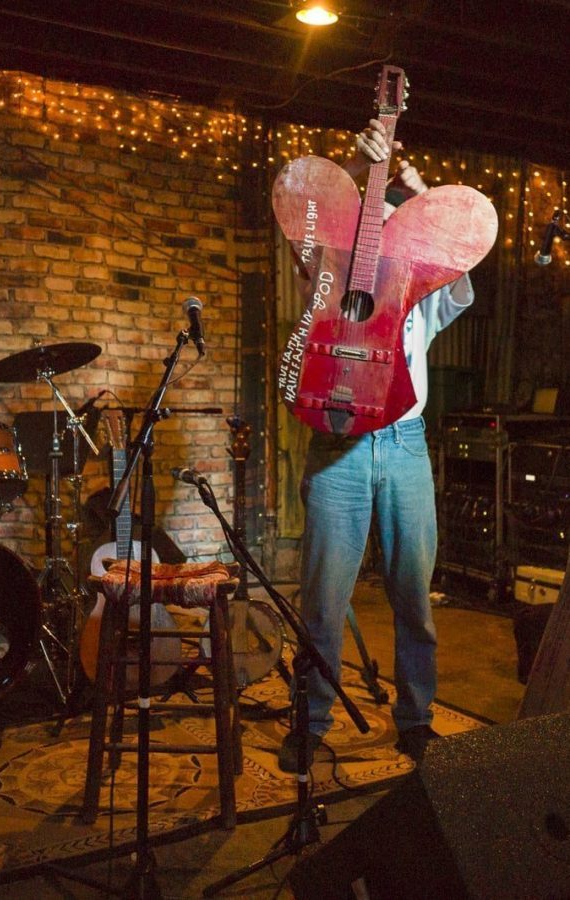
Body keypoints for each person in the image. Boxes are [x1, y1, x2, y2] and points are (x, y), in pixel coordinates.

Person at [278, 120, 476, 772]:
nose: (388, 245)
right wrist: (365, 174)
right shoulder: (332, 276)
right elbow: (313, 233)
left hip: (405, 446)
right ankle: (308, 724)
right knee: (323, 605)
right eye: (378, 231)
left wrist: (419, 189)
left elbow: (461, 248)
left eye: (398, 231)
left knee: (414, 601)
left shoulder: (427, 291)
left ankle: (415, 721)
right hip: (338, 448)